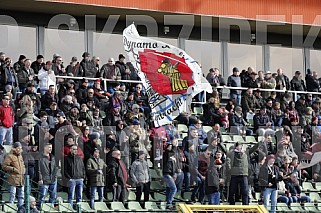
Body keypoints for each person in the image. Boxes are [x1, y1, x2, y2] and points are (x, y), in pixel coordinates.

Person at [2, 142, 25, 208]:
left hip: (21, 178)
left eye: (20, 148)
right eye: (18, 148)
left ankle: (20, 209)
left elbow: (22, 164)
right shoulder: (9, 156)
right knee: (12, 195)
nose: (20, 149)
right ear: (15, 148)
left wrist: (23, 169)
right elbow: (4, 166)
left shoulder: (20, 156)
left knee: (21, 196)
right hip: (13, 179)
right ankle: (11, 208)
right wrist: (13, 169)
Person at [37, 143, 57, 209]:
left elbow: (55, 168)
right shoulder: (40, 157)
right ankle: (40, 208)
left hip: (53, 179)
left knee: (53, 196)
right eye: (49, 147)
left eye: (51, 147)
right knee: (42, 196)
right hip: (44, 179)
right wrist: (40, 179)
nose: (50, 149)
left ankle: (51, 209)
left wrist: (55, 176)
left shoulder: (53, 157)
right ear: (45, 148)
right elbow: (39, 169)